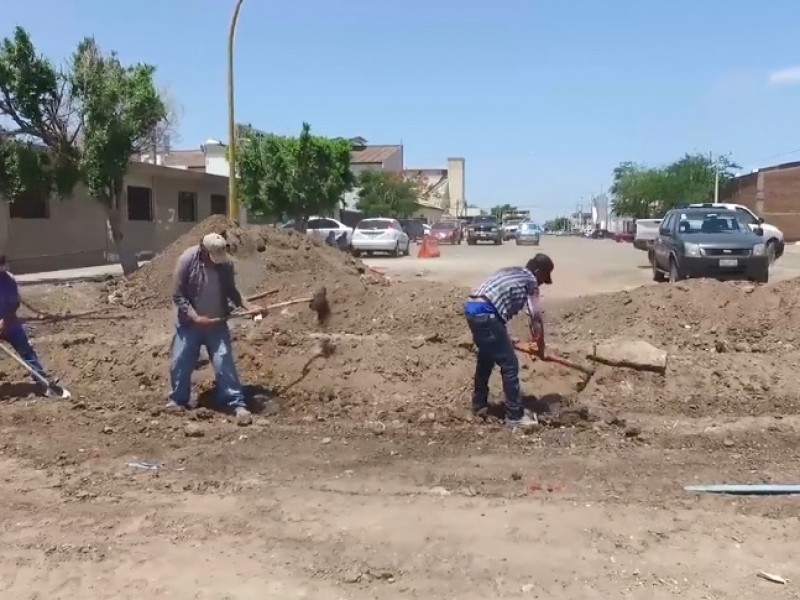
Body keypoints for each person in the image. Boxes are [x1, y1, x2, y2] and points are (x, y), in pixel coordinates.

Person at [167, 233, 265, 419]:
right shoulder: (187, 260)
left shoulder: (225, 264)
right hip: (189, 324)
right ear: (203, 251)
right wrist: (195, 317)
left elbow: (231, 291)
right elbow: (178, 295)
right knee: (180, 361)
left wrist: (249, 306)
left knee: (224, 361)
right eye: (213, 258)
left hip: (217, 322)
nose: (216, 262)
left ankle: (234, 402)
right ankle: (178, 401)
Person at [463, 253, 554, 427]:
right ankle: (514, 416)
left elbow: (498, 304)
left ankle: (479, 405)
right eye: (543, 277)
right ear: (537, 271)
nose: (542, 282)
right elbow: (535, 316)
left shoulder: (511, 272)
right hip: (487, 312)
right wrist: (540, 346)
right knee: (510, 364)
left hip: (472, 308)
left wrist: (503, 336)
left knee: (486, 359)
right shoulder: (531, 281)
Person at [0, 254, 62, 396]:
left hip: (10, 324)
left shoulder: (8, 279)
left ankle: (42, 381)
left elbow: (14, 303)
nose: (2, 267)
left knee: (26, 352)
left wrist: (5, 321)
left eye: (2, 264)